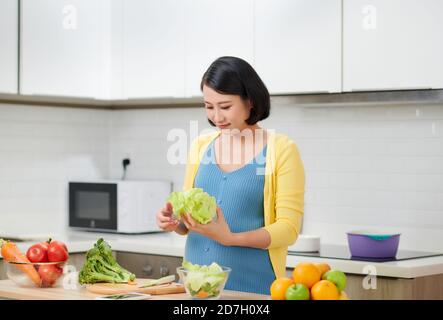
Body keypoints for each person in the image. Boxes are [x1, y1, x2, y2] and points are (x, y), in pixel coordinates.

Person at [156, 56, 305, 295]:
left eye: (225, 106)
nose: (216, 117)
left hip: (253, 288)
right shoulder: (200, 146)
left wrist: (230, 238)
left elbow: (288, 229)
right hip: (197, 287)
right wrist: (176, 222)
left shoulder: (282, 150)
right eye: (208, 106)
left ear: (251, 101)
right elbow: (189, 223)